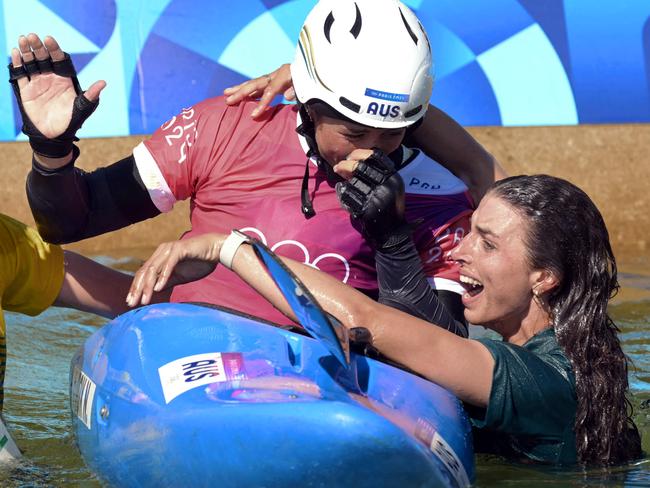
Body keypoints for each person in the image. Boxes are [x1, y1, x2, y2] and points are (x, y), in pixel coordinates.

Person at [10, 0, 502, 328]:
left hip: (330, 382)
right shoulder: (225, 127)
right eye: (353, 133)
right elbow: (70, 222)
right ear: (307, 100)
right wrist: (52, 148)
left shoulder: (435, 193)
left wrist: (392, 239)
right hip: (192, 356)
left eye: (394, 133)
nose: (372, 151)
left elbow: (444, 351)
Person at [126, 174, 642, 466]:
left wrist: (228, 246)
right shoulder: (570, 357)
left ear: (544, 278)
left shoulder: (547, 382)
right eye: (469, 231)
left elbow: (366, 318)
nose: (459, 251)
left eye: (486, 242)